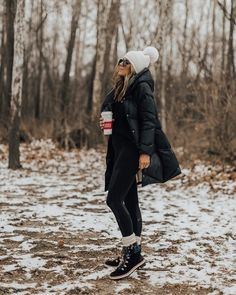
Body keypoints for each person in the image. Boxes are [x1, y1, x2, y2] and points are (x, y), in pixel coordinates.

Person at [100, 46, 180, 280]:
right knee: (129, 200)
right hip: (119, 148)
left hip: (132, 152)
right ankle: (132, 249)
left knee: (114, 199)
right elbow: (116, 113)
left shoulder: (142, 87)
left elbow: (149, 121)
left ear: (135, 66)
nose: (121, 63)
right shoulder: (121, 87)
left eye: (126, 62)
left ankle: (132, 253)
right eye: (120, 60)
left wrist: (145, 152)